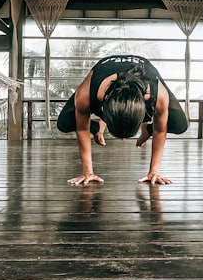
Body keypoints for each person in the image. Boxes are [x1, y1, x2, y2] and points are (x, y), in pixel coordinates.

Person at [57, 54, 189, 185]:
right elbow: (82, 128)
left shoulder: (158, 95)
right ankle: (98, 127)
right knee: (64, 123)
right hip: (104, 71)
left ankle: (148, 130)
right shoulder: (86, 94)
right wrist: (87, 172)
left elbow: (160, 131)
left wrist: (154, 171)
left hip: (145, 70)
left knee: (179, 125)